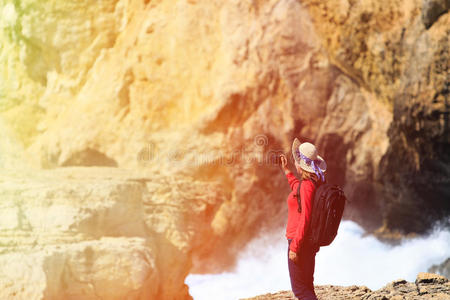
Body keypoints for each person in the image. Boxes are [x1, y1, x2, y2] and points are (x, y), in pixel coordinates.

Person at [279, 138, 327, 300]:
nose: (295, 163)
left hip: (300, 242)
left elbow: (305, 217)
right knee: (307, 286)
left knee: (300, 290)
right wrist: (286, 170)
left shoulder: (307, 186)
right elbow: (296, 189)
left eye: (297, 160)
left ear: (301, 164)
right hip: (308, 242)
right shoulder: (311, 183)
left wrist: (295, 247)